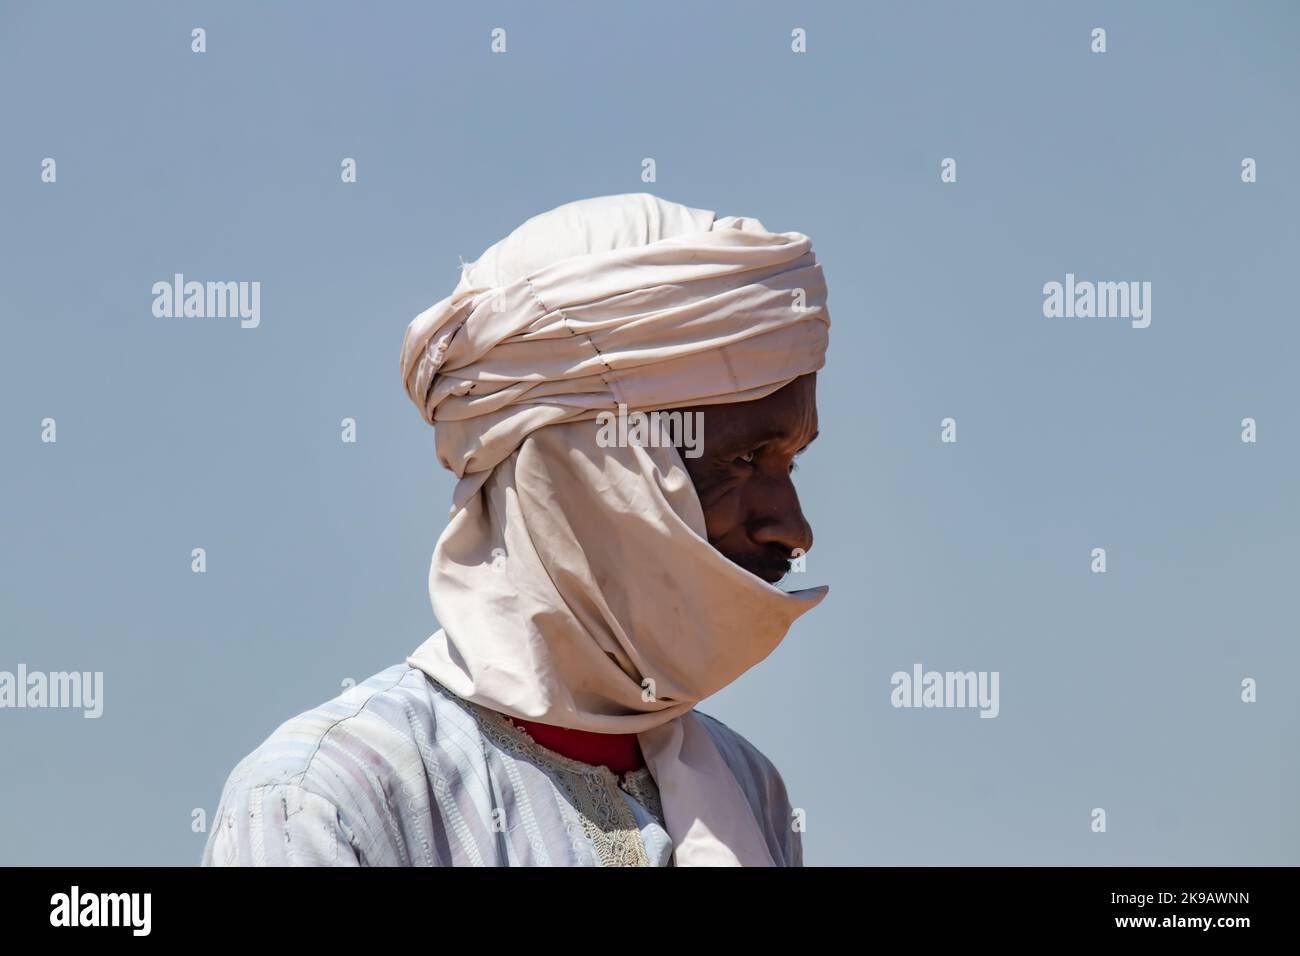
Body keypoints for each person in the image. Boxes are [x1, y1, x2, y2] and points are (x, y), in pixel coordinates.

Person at [201, 193, 830, 867]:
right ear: (580, 466)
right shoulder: (330, 798)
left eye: (789, 463)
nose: (792, 529)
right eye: (741, 461)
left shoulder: (748, 792)